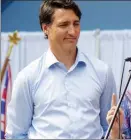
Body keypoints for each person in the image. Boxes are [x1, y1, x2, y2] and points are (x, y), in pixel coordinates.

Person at [6, 0, 116, 139]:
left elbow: (110, 128)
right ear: (46, 28)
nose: (73, 31)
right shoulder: (27, 77)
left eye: (76, 23)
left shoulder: (103, 72)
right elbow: (16, 135)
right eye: (64, 25)